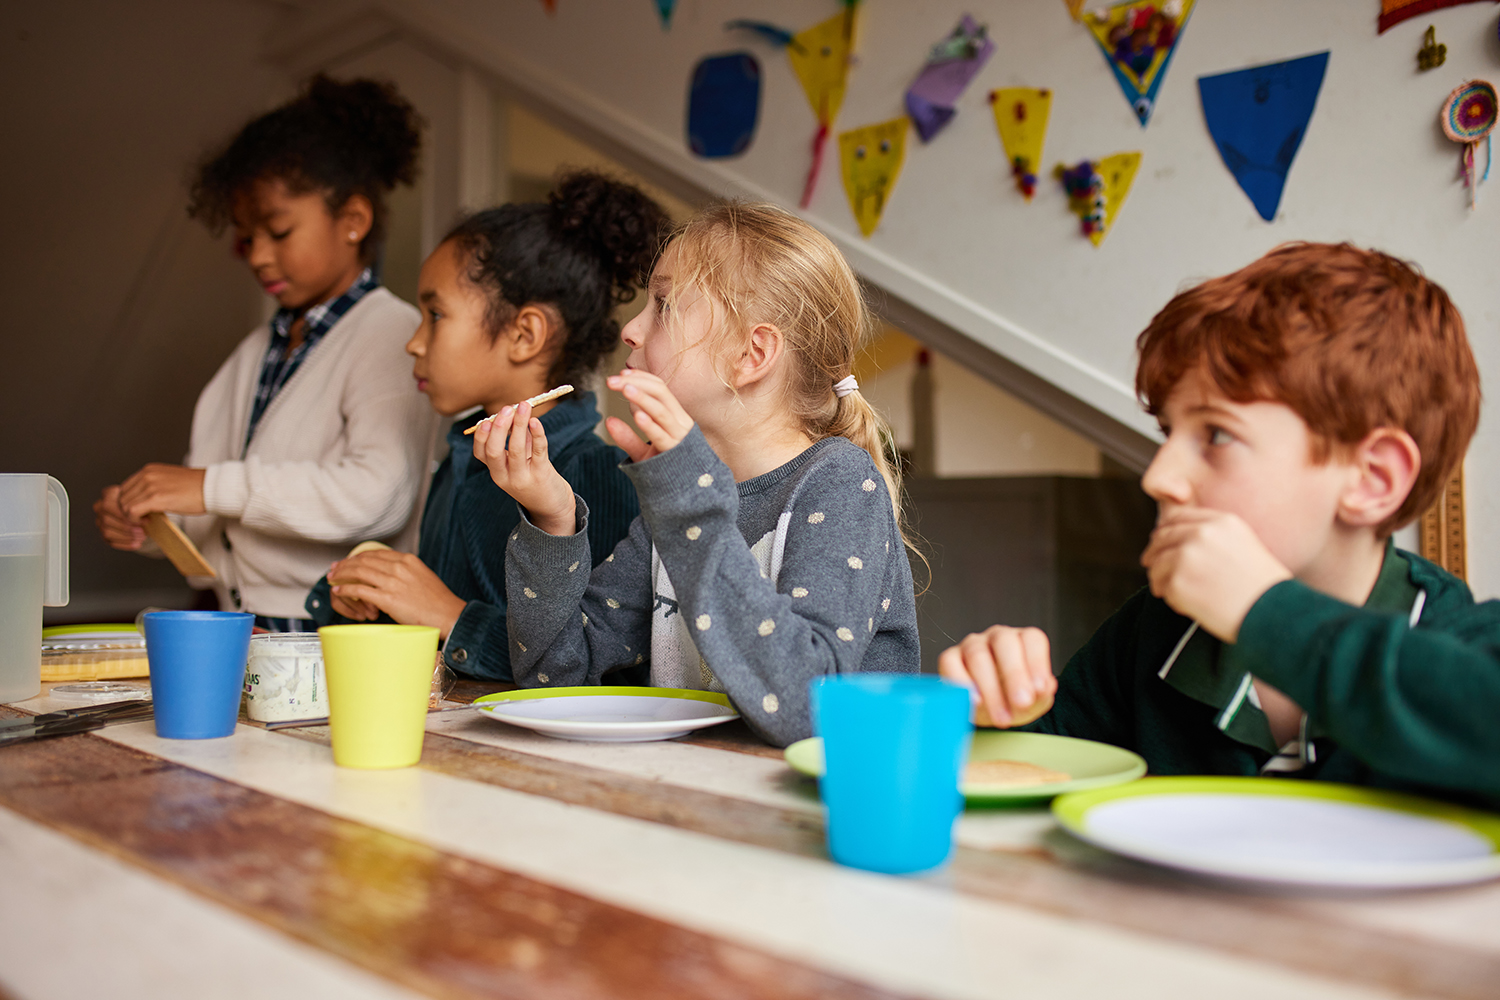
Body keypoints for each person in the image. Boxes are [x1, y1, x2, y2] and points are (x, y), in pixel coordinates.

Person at [938, 242, 1500, 806]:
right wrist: (997, 712)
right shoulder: (1156, 633)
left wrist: (1267, 613)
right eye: (1168, 433)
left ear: (1370, 479)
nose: (1159, 476)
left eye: (1217, 435)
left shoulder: (1459, 639)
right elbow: (1036, 796)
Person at [473, 202, 920, 747]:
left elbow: (807, 710)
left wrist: (686, 501)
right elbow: (558, 675)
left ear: (750, 355)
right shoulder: (680, 498)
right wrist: (553, 517)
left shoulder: (840, 483)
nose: (631, 329)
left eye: (662, 305)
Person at [93, 75, 436, 631]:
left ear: (353, 221)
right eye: (247, 238)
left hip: (335, 632)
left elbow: (378, 495)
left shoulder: (390, 335)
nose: (258, 256)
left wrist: (207, 486)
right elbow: (223, 514)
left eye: (278, 231)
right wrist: (154, 521)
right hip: (244, 624)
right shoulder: (254, 353)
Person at [306, 172, 663, 682]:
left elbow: (596, 672)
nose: (413, 342)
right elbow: (429, 640)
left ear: (524, 334)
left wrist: (451, 617)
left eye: (435, 314)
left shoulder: (600, 474)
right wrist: (366, 595)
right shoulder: (459, 460)